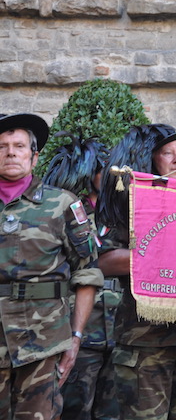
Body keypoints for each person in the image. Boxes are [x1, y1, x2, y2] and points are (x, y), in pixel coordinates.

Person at [96, 124, 176, 420]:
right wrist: (163, 254)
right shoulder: (131, 204)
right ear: (150, 159)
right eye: (168, 153)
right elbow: (105, 261)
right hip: (145, 340)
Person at [0, 113, 103, 419]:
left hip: (43, 343)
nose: (10, 153)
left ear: (34, 157)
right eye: (2, 146)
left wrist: (76, 338)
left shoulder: (63, 205)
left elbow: (87, 274)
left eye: (19, 146)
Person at [42, 134, 122, 420]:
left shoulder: (118, 214)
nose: (111, 175)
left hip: (117, 330)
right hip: (81, 331)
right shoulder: (68, 212)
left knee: (112, 412)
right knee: (74, 409)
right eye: (104, 170)